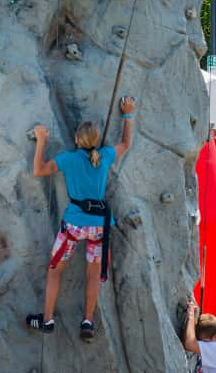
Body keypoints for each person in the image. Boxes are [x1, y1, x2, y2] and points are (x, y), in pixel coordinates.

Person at [26, 96, 135, 340]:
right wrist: (127, 114)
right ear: (96, 141)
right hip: (99, 226)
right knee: (93, 273)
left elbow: (38, 170)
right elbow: (126, 143)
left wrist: (41, 141)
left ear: (77, 139)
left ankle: (48, 319)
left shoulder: (69, 158)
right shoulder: (105, 155)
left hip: (75, 224)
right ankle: (87, 321)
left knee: (55, 269)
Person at [183, 301, 216, 373]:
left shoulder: (215, 347)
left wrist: (191, 316)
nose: (200, 343)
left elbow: (189, 344)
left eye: (204, 341)